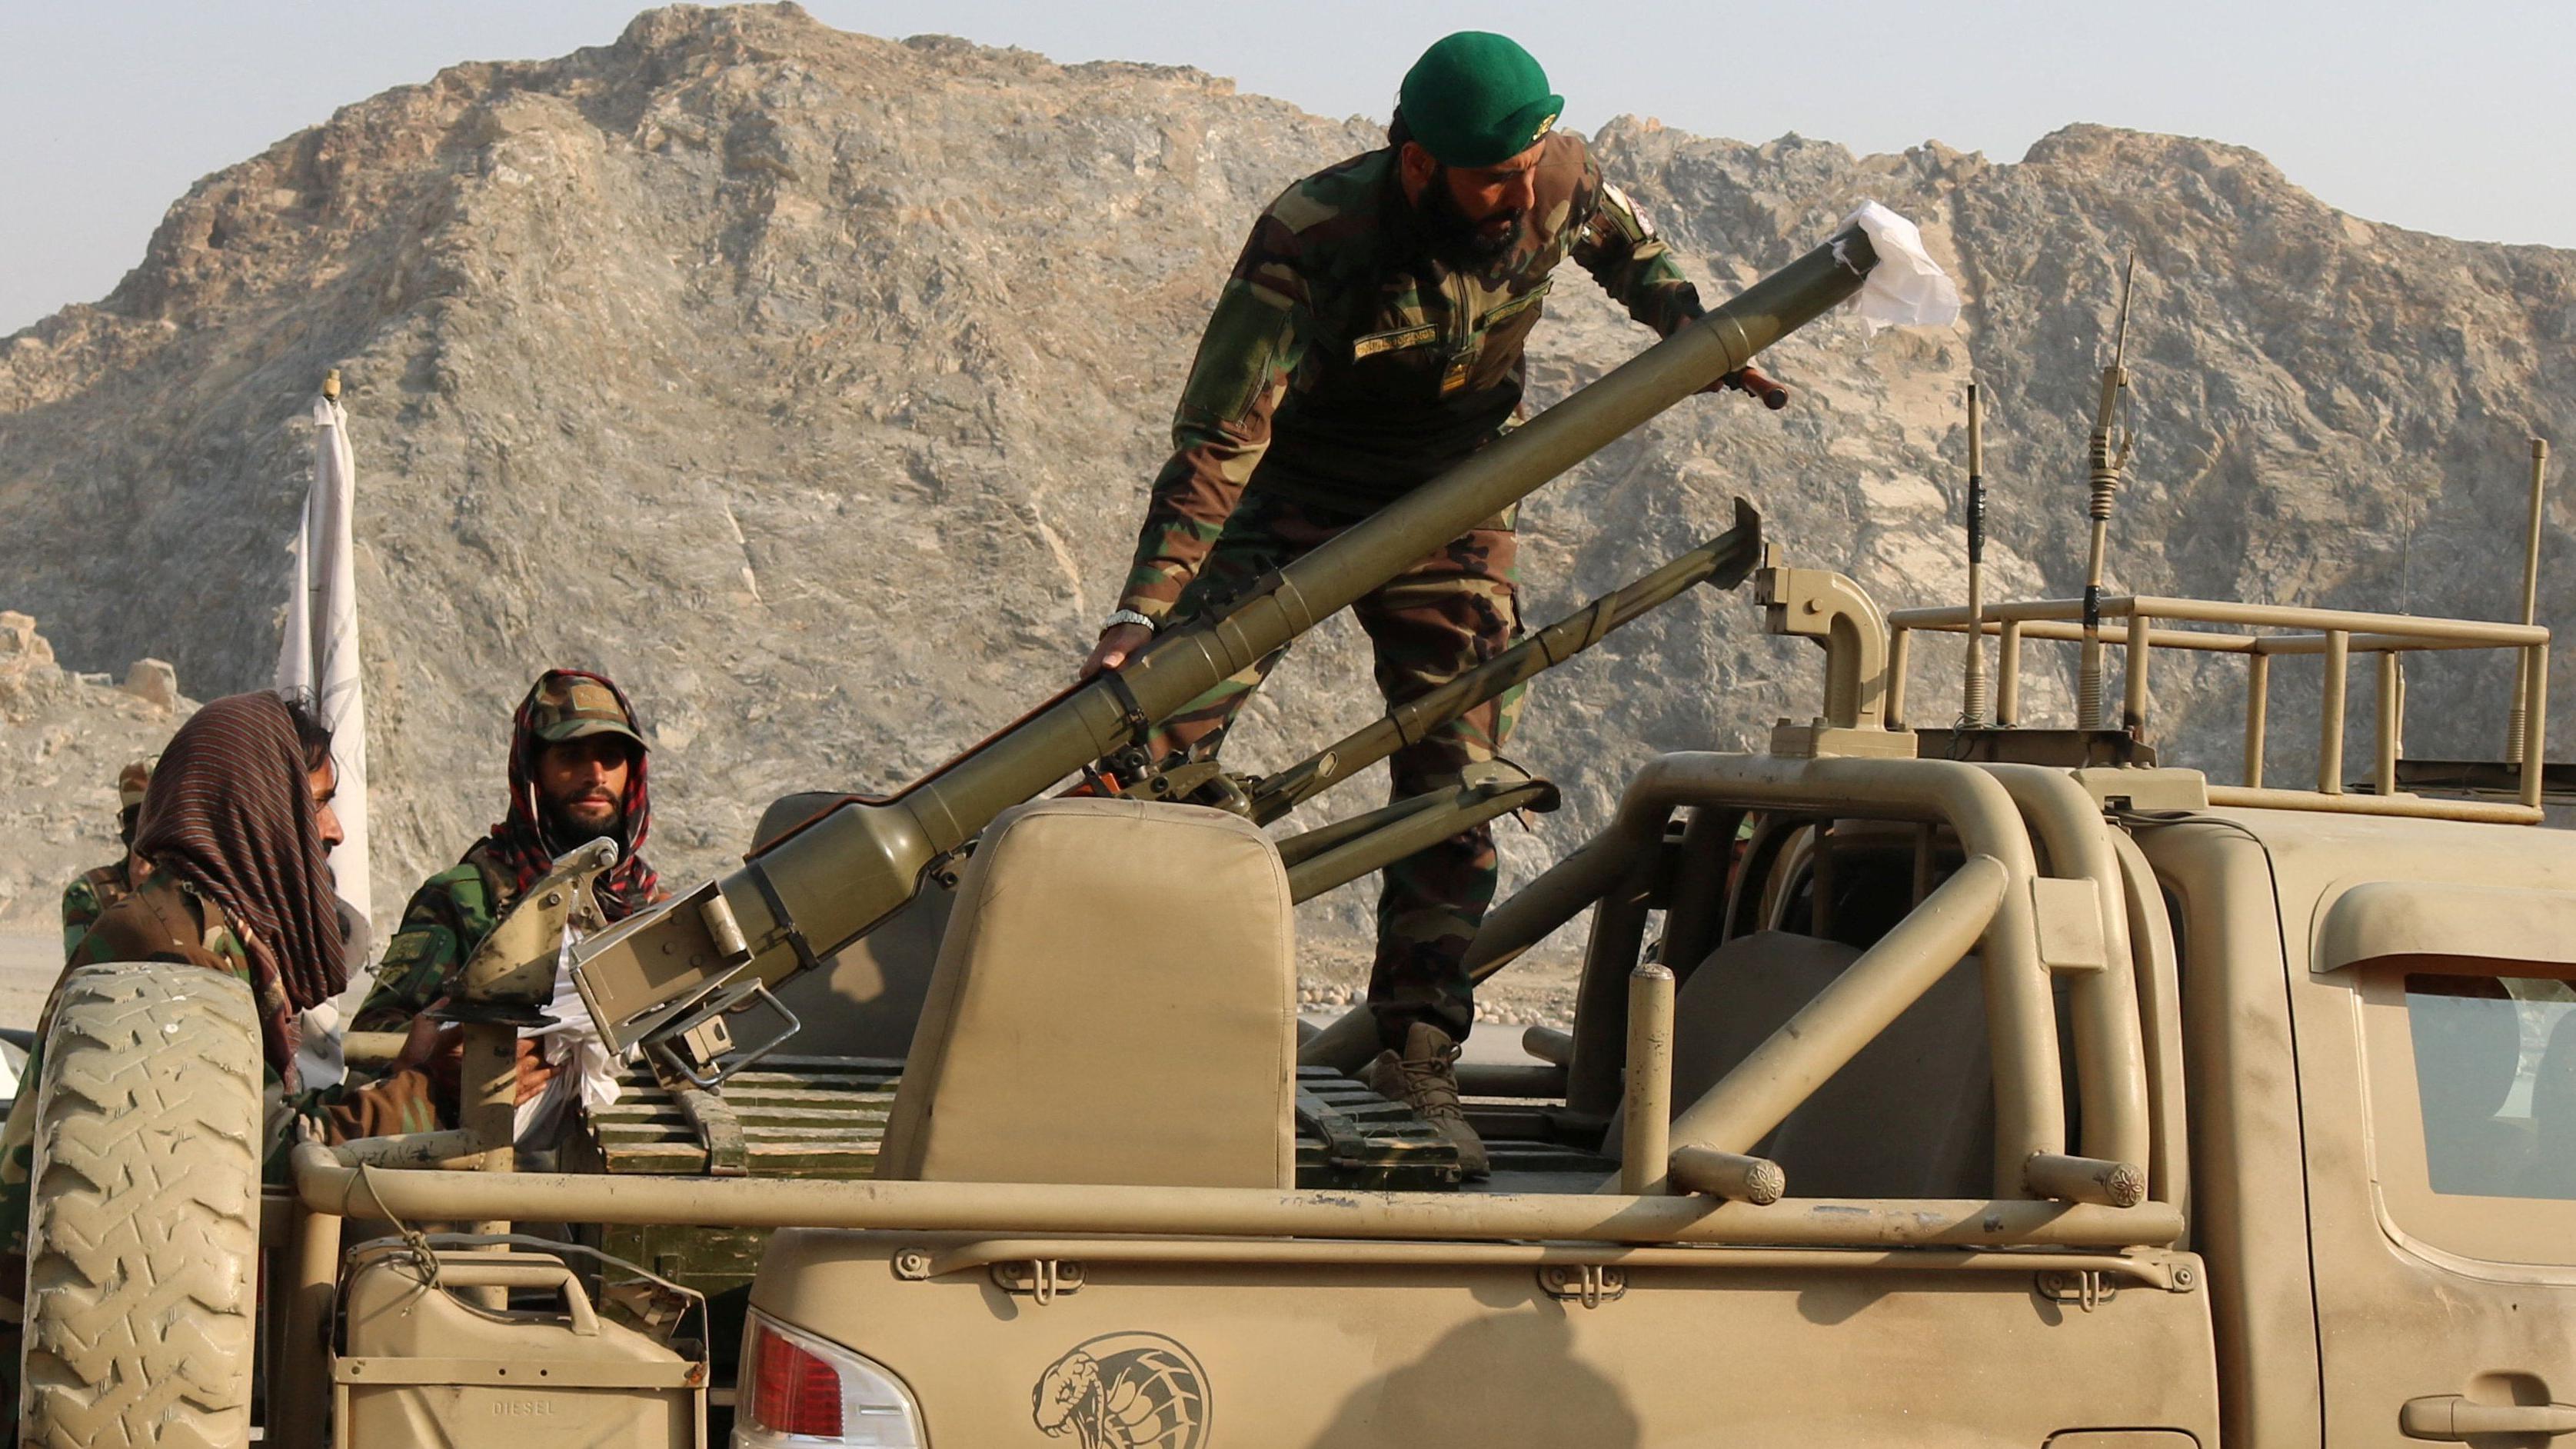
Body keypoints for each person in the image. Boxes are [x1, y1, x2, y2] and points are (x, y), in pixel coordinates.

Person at [1080, 32, 1765, 1175]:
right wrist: (1142, 615)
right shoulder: (1313, 232)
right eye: (1489, 176)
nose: (1513, 195)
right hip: (1302, 495)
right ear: (1416, 162)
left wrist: (1693, 329)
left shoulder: (1556, 175)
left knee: (1457, 781)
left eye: (1526, 167)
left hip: (1455, 492)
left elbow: (1629, 252)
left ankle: (1416, 1051)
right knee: (1154, 744)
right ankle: (1096, 1029)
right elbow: (1217, 436)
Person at [355, 669, 665, 1146]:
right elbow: (371, 1041)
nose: (596, 775)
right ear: (532, 771)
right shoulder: (465, 897)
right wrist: (443, 1063)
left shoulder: (652, 908)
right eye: (571, 756)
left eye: (611, 756)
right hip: (494, 1175)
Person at [57, 758, 152, 958]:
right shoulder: (88, 895)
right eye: (133, 819)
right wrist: (140, 902)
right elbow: (86, 979)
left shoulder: (215, 887)